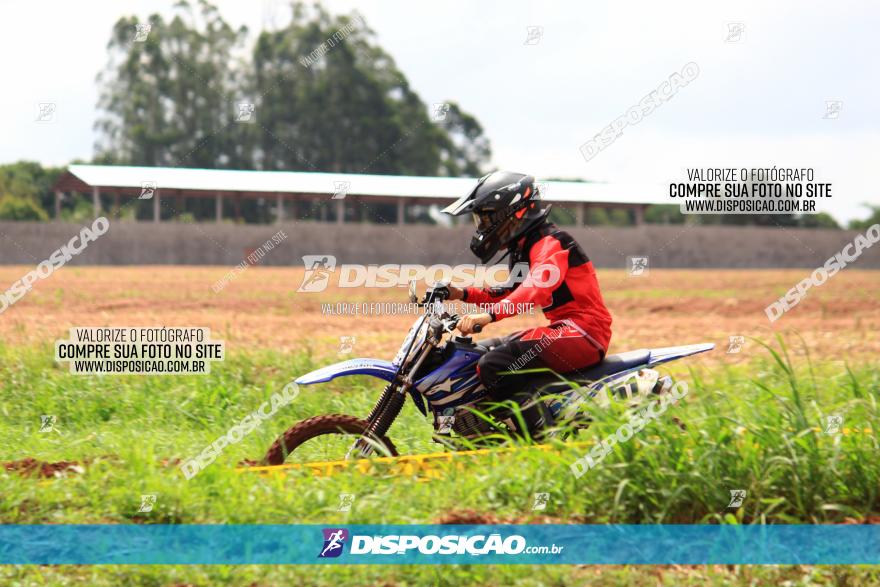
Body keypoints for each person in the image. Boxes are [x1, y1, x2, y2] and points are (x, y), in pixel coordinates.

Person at [441, 171, 613, 426]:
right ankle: (483, 428)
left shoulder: (551, 242)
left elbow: (535, 289)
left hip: (584, 331)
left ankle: (541, 436)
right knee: (476, 354)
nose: (482, 228)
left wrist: (489, 316)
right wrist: (462, 293)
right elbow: (509, 292)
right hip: (563, 329)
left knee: (495, 364)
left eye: (486, 219)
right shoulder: (525, 246)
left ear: (513, 213)